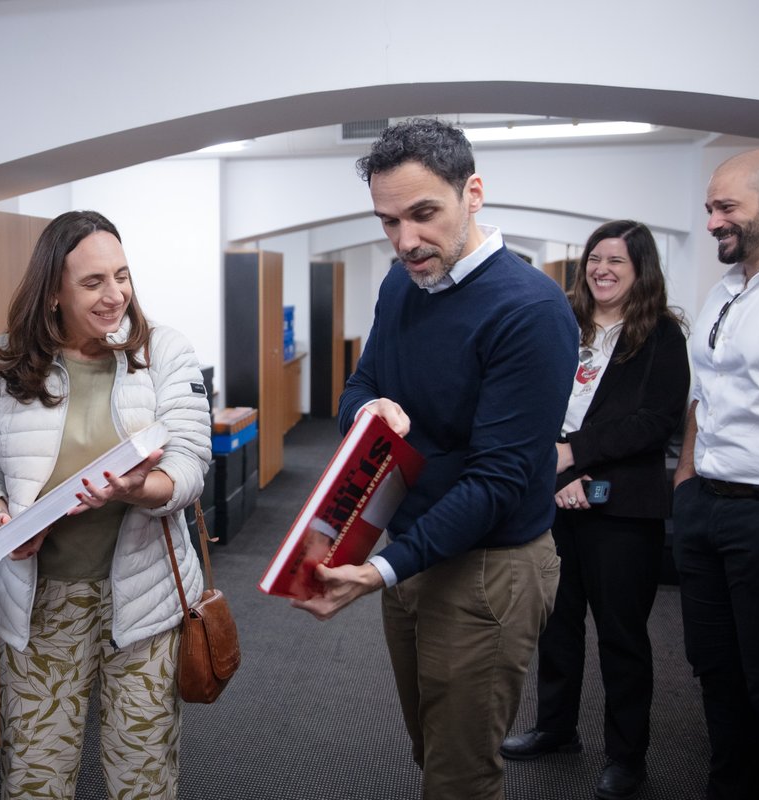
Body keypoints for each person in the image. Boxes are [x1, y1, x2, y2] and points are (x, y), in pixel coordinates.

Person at [293, 117, 578, 800]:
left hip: (490, 568)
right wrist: (364, 416)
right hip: (412, 548)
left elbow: (500, 480)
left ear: (472, 193)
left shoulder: (530, 310)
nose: (406, 240)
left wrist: (381, 570)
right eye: (389, 221)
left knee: (461, 776)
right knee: (432, 747)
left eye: (424, 214)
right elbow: (363, 383)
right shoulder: (401, 286)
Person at [0, 210, 211, 799]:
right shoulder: (5, 360)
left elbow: (191, 467)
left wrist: (136, 489)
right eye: (93, 282)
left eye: (122, 277)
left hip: (145, 597)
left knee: (142, 776)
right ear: (53, 291)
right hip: (41, 600)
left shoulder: (165, 351)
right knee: (35, 777)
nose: (115, 295)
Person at [500, 221, 690, 799]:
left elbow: (653, 422)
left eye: (617, 262)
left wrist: (578, 461)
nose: (602, 270)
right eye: (595, 259)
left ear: (641, 270)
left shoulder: (661, 334)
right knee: (556, 623)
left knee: (622, 634)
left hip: (622, 506)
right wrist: (556, 471)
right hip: (553, 497)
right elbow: (533, 398)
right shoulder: (564, 323)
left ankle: (626, 755)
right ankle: (557, 727)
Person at [673, 148, 759, 800]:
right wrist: (686, 477)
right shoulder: (723, 290)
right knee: (715, 671)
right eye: (710, 206)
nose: (712, 220)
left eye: (727, 207)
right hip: (705, 508)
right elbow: (702, 393)